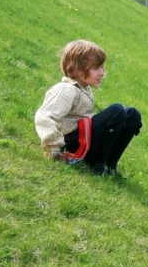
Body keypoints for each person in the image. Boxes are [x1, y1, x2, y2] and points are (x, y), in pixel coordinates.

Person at [34, 40, 142, 176]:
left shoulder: (84, 89)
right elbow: (44, 117)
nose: (102, 72)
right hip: (73, 144)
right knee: (117, 110)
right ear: (77, 69)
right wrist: (54, 146)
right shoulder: (66, 89)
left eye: (102, 67)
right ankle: (98, 163)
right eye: (96, 68)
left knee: (132, 114)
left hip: (84, 138)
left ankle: (109, 165)